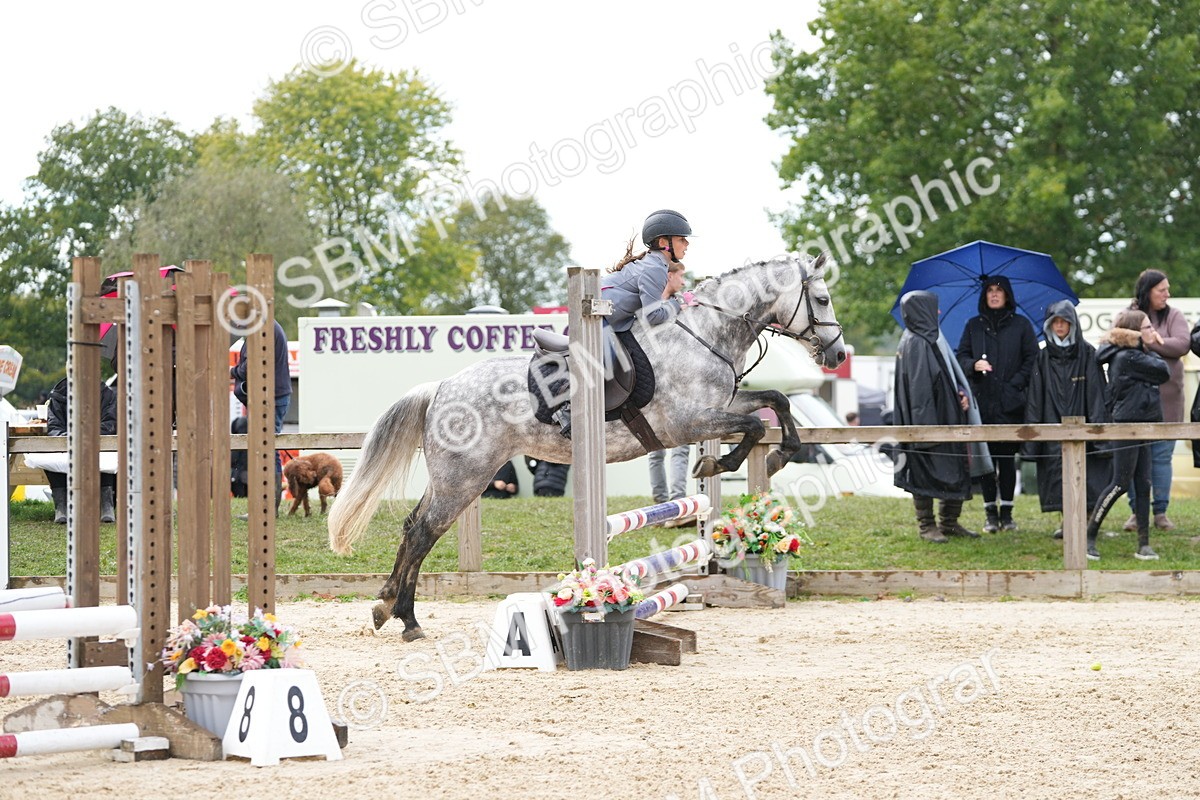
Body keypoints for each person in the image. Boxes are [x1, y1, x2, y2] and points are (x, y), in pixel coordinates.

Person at [551, 209, 698, 437]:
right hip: (595, 318)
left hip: (612, 318)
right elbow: (652, 317)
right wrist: (680, 304)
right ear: (663, 242)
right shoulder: (654, 269)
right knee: (610, 362)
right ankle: (567, 408)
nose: (686, 243)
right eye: (681, 239)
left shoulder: (656, 265)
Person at [894, 291, 989, 543]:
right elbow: (919, 391)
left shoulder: (932, 339)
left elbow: (943, 377)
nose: (937, 313)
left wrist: (959, 393)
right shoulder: (915, 342)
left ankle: (949, 522)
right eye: (932, 308)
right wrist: (927, 432)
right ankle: (927, 525)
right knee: (924, 471)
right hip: (928, 423)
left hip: (946, 417)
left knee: (956, 468)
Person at [1086, 310, 1170, 561]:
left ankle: (1143, 544)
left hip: (1143, 423)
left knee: (1144, 484)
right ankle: (1089, 536)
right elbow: (1163, 370)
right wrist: (1152, 345)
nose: (1151, 330)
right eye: (1146, 327)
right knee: (1120, 483)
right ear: (1134, 332)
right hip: (1126, 425)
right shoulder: (1128, 356)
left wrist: (1147, 345)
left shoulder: (1133, 354)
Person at [955, 277, 1038, 533]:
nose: (994, 295)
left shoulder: (1021, 325)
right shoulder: (973, 326)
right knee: (986, 462)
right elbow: (961, 357)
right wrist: (973, 366)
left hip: (1012, 405)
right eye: (990, 290)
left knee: (1007, 460)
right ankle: (990, 513)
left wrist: (1014, 385)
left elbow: (1032, 359)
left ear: (1007, 295)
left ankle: (1008, 513)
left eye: (999, 291)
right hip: (983, 404)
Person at [1022, 302, 1110, 539]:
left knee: (1090, 474)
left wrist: (1099, 433)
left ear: (1072, 323)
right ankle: (1067, 522)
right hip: (1052, 424)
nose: (1060, 326)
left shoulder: (1087, 353)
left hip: (1086, 425)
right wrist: (1032, 438)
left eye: (1064, 321)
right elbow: (1035, 397)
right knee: (1058, 473)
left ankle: (1090, 521)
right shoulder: (1042, 357)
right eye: (1055, 322)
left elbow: (1096, 395)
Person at [1121, 269, 1188, 532]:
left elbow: (1181, 345)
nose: (1167, 294)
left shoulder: (1175, 315)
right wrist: (1154, 342)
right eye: (1162, 290)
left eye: (1167, 289)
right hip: (1135, 403)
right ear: (1148, 290)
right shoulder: (1129, 314)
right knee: (1136, 459)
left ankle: (1160, 512)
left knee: (1161, 458)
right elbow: (1120, 342)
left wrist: (1150, 342)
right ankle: (1137, 514)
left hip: (1167, 403)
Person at [231, 319, 292, 515]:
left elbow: (249, 367)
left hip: (269, 398)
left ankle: (267, 509)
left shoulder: (260, 328)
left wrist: (231, 371)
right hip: (270, 396)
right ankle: (264, 508)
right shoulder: (267, 325)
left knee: (266, 449)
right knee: (265, 448)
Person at [42, 377, 118, 524]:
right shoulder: (58, 394)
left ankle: (106, 504)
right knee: (49, 454)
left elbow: (110, 424)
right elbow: (54, 427)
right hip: (66, 444)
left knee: (107, 454)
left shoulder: (106, 395)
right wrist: (73, 438)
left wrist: (87, 437)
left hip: (99, 444)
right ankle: (61, 505)